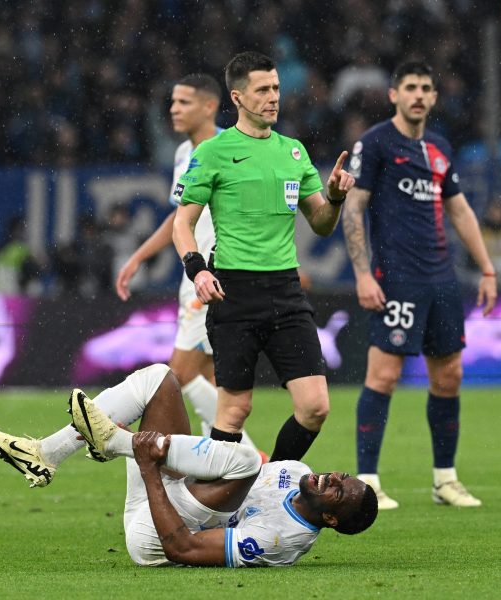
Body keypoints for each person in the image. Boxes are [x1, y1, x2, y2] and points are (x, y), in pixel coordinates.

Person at [0, 363, 377, 567]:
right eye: (342, 475)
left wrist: (150, 469)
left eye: (338, 491)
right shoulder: (295, 469)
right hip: (177, 489)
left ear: (331, 520)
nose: (332, 478)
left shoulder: (280, 541)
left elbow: (181, 549)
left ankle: (116, 441)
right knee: (159, 378)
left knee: (241, 459)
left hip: (155, 535)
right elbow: (218, 476)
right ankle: (45, 455)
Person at [171, 51, 355, 462]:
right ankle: (214, 508)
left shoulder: (292, 152)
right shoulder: (214, 152)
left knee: (315, 407)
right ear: (237, 97)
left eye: (276, 88)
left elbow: (322, 222)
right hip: (233, 291)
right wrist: (197, 269)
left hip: (286, 291)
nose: (273, 97)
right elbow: (181, 225)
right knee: (234, 410)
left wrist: (336, 197)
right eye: (263, 90)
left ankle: (270, 484)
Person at [342, 61, 498, 510]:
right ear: (394, 94)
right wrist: (362, 274)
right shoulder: (374, 144)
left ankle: (445, 480)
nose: (418, 94)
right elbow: (353, 211)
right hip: (395, 278)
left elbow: (461, 211)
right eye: (409, 87)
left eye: (426, 88)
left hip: (441, 280)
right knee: (383, 376)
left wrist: (487, 268)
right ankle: (368, 480)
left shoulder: (438, 147)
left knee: (449, 377)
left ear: (433, 97)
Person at [114, 74, 259, 450]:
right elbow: (181, 217)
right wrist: (140, 255)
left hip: (215, 275)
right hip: (190, 274)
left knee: (176, 378)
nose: (173, 109)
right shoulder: (183, 153)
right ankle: (246, 462)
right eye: (172, 102)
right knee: (207, 380)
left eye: (183, 102)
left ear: (210, 106)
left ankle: (224, 461)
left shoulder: (233, 148)